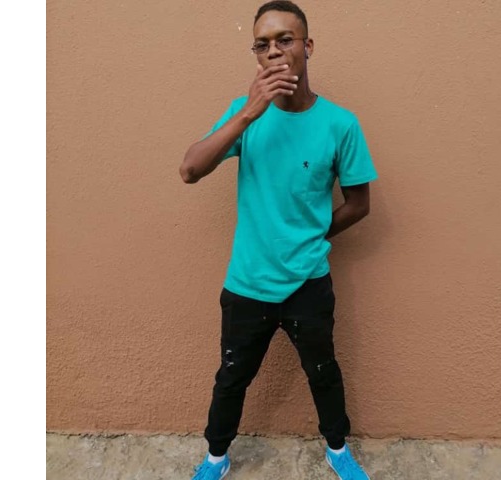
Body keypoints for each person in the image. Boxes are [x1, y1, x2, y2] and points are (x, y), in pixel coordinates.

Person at [181, 1, 377, 478]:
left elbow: (359, 203)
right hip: (248, 281)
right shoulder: (244, 114)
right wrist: (250, 111)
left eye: (285, 40)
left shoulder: (340, 124)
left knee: (324, 372)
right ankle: (216, 457)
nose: (273, 51)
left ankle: (337, 449)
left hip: (308, 280)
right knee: (231, 378)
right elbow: (189, 169)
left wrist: (310, 236)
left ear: (307, 47)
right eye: (261, 44)